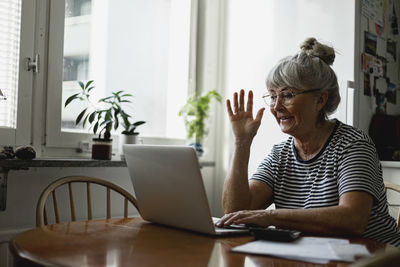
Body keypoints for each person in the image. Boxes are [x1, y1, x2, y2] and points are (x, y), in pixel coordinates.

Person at [216, 37, 400, 246]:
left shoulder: (354, 145)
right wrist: (242, 142)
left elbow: (352, 220)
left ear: (320, 100)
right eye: (272, 96)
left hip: (375, 259)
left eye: (287, 95)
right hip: (311, 257)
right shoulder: (280, 154)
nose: (276, 107)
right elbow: (235, 212)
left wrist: (271, 217)